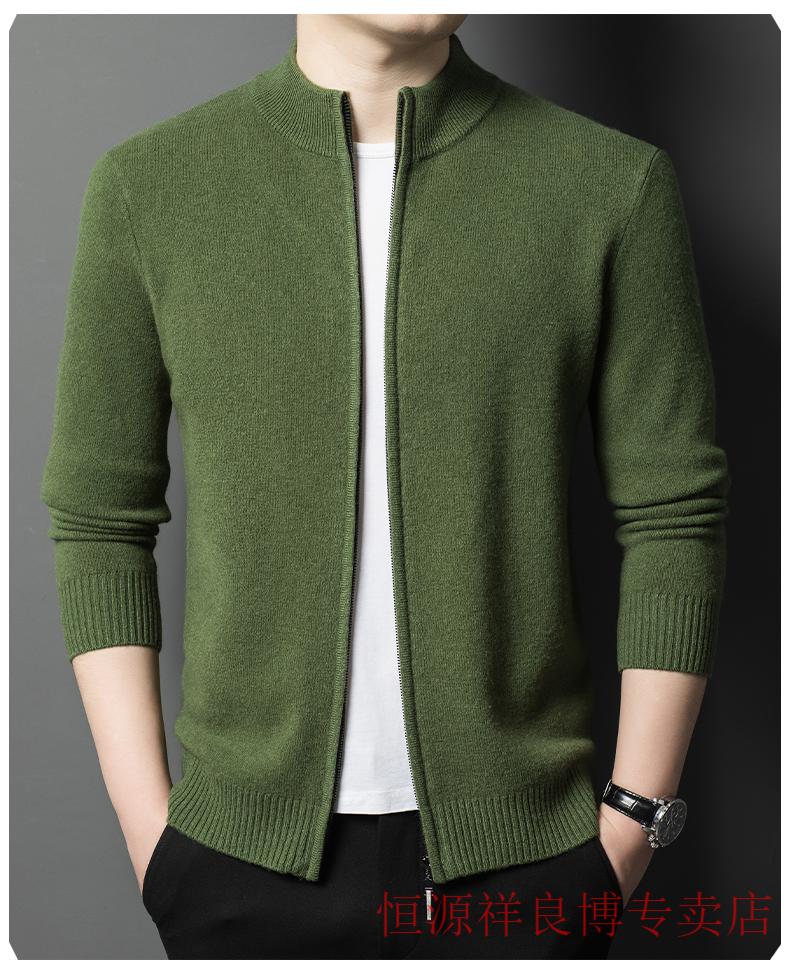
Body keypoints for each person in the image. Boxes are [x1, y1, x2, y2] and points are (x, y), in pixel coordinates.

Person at [39, 13, 730, 960]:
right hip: (237, 866)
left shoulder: (610, 182)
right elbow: (99, 519)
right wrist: (151, 834)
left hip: (529, 866)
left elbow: (674, 514)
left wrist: (631, 826)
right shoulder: (150, 185)